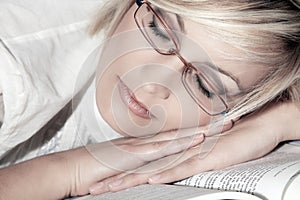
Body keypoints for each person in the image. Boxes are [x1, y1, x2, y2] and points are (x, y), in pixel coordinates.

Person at [0, 0, 299, 199]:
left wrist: (275, 121)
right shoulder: (11, 62)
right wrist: (65, 170)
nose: (153, 83)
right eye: (160, 32)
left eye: (205, 85)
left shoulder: (254, 110)